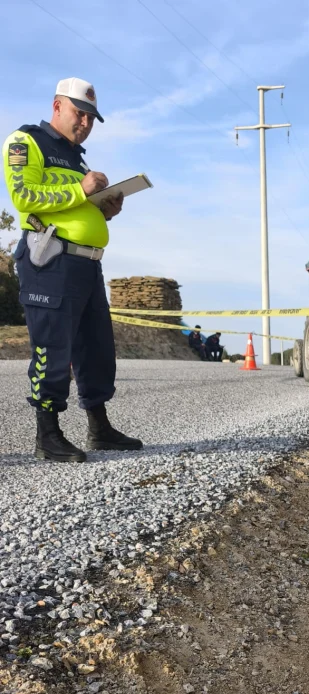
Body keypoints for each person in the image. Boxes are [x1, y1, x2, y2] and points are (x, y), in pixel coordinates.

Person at [2, 77, 142, 463]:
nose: (85, 123)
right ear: (57, 106)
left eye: (92, 118)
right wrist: (82, 190)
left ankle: (100, 429)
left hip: (87, 263)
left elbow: (74, 206)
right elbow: (24, 196)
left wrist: (103, 209)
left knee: (96, 348)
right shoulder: (25, 141)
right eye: (80, 113)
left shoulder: (77, 156)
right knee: (52, 347)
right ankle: (47, 435)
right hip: (51, 261)